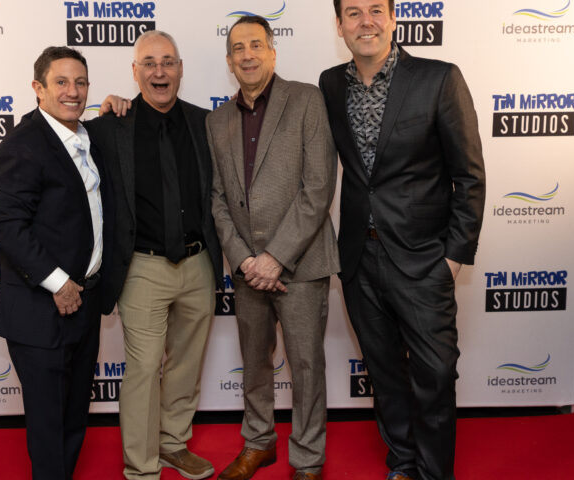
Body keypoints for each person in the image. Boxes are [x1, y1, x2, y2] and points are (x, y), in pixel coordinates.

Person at [318, 0, 486, 479]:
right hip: (359, 257)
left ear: (393, 18)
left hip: (423, 259)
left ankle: (434, 473)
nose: (365, 21)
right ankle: (404, 463)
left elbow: (469, 176)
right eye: (353, 13)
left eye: (376, 9)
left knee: (435, 374)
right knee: (385, 373)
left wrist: (453, 258)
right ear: (339, 25)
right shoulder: (330, 84)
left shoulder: (439, 78)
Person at [87, 30, 224, 480]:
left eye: (167, 62)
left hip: (199, 264)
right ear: (135, 71)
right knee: (144, 369)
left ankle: (173, 444)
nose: (159, 71)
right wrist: (6, 193)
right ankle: (141, 467)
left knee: (186, 363)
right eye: (149, 63)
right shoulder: (110, 127)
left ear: (180, 69)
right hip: (142, 267)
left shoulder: (206, 123)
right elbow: (61, 157)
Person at [205, 15, 338, 480]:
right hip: (247, 271)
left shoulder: (306, 100)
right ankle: (258, 442)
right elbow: (218, 199)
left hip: (300, 264)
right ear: (229, 61)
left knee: (306, 366)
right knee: (254, 365)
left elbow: (318, 188)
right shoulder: (216, 121)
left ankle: (308, 459)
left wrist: (275, 257)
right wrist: (245, 260)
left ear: (273, 52)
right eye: (238, 48)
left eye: (256, 45)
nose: (248, 55)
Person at [0, 46, 116, 480]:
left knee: (74, 413)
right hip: (41, 309)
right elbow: (9, 228)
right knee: (48, 422)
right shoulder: (23, 145)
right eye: (61, 82)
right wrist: (58, 283)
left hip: (84, 302)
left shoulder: (87, 137)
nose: (72, 91)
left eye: (80, 82)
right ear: (38, 88)